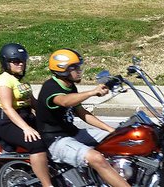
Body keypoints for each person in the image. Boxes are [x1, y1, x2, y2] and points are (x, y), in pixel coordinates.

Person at [36, 49, 130, 187]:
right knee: (96, 158)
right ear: (63, 69)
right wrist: (92, 92)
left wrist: (111, 130)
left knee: (120, 140)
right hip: (56, 140)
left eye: (79, 66)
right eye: (75, 67)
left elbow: (81, 112)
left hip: (73, 133)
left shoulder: (70, 86)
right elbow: (64, 101)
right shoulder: (50, 87)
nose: (79, 70)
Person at [0, 43, 53, 187]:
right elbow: (7, 108)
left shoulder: (21, 81)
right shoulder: (4, 81)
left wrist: (52, 115)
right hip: (9, 123)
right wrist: (26, 128)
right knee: (36, 144)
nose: (20, 64)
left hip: (26, 117)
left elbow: (34, 103)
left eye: (22, 60)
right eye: (15, 61)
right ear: (6, 63)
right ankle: (47, 184)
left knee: (57, 132)